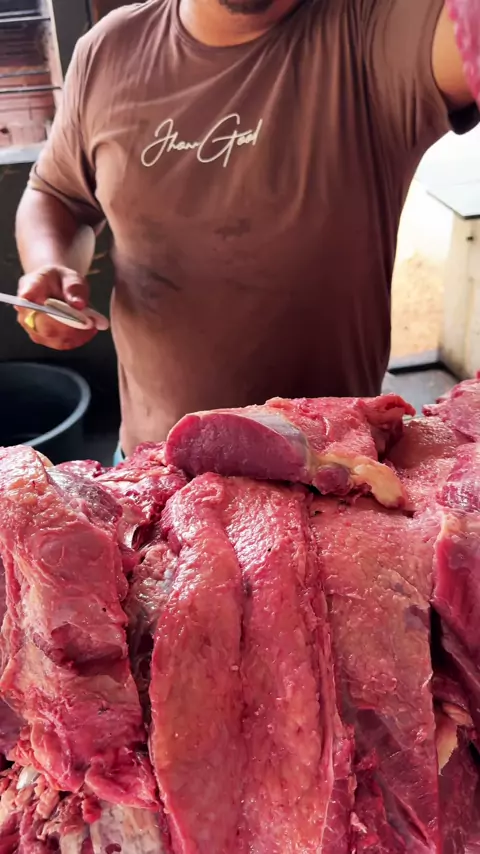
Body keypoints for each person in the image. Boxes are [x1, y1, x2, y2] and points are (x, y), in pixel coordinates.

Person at [15, 0, 478, 457]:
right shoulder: (108, 49)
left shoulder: (373, 28)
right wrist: (49, 265)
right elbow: (56, 193)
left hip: (332, 472)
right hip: (154, 467)